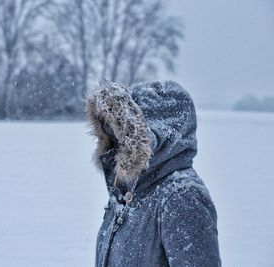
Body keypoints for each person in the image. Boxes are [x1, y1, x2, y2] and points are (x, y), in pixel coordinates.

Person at [86, 80, 221, 267]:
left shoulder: (182, 198)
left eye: (126, 134)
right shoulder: (130, 191)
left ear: (157, 137)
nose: (118, 144)